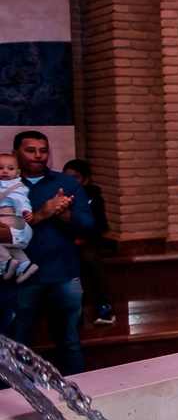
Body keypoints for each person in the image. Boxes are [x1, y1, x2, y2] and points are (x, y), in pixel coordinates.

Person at [11, 131, 94, 375]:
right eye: (30, 150)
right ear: (16, 152)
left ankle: (77, 400)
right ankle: (13, 403)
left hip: (63, 274)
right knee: (17, 346)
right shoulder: (6, 187)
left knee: (69, 342)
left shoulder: (67, 184)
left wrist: (64, 213)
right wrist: (44, 213)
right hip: (20, 279)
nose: (38, 156)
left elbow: (89, 225)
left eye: (43, 150)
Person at [62, 159, 114, 326]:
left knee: (90, 259)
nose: (70, 180)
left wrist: (81, 229)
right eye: (66, 176)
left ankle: (105, 305)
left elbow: (100, 225)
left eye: (75, 177)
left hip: (86, 240)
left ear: (85, 180)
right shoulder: (58, 194)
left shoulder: (93, 196)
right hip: (64, 240)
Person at [0, 153, 36, 282]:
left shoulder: (16, 187)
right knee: (10, 245)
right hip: (8, 218)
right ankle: (25, 264)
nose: (5, 171)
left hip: (10, 217)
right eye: (0, 168)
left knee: (3, 240)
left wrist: (25, 211)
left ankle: (6, 262)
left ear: (17, 172)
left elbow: (21, 201)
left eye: (10, 169)